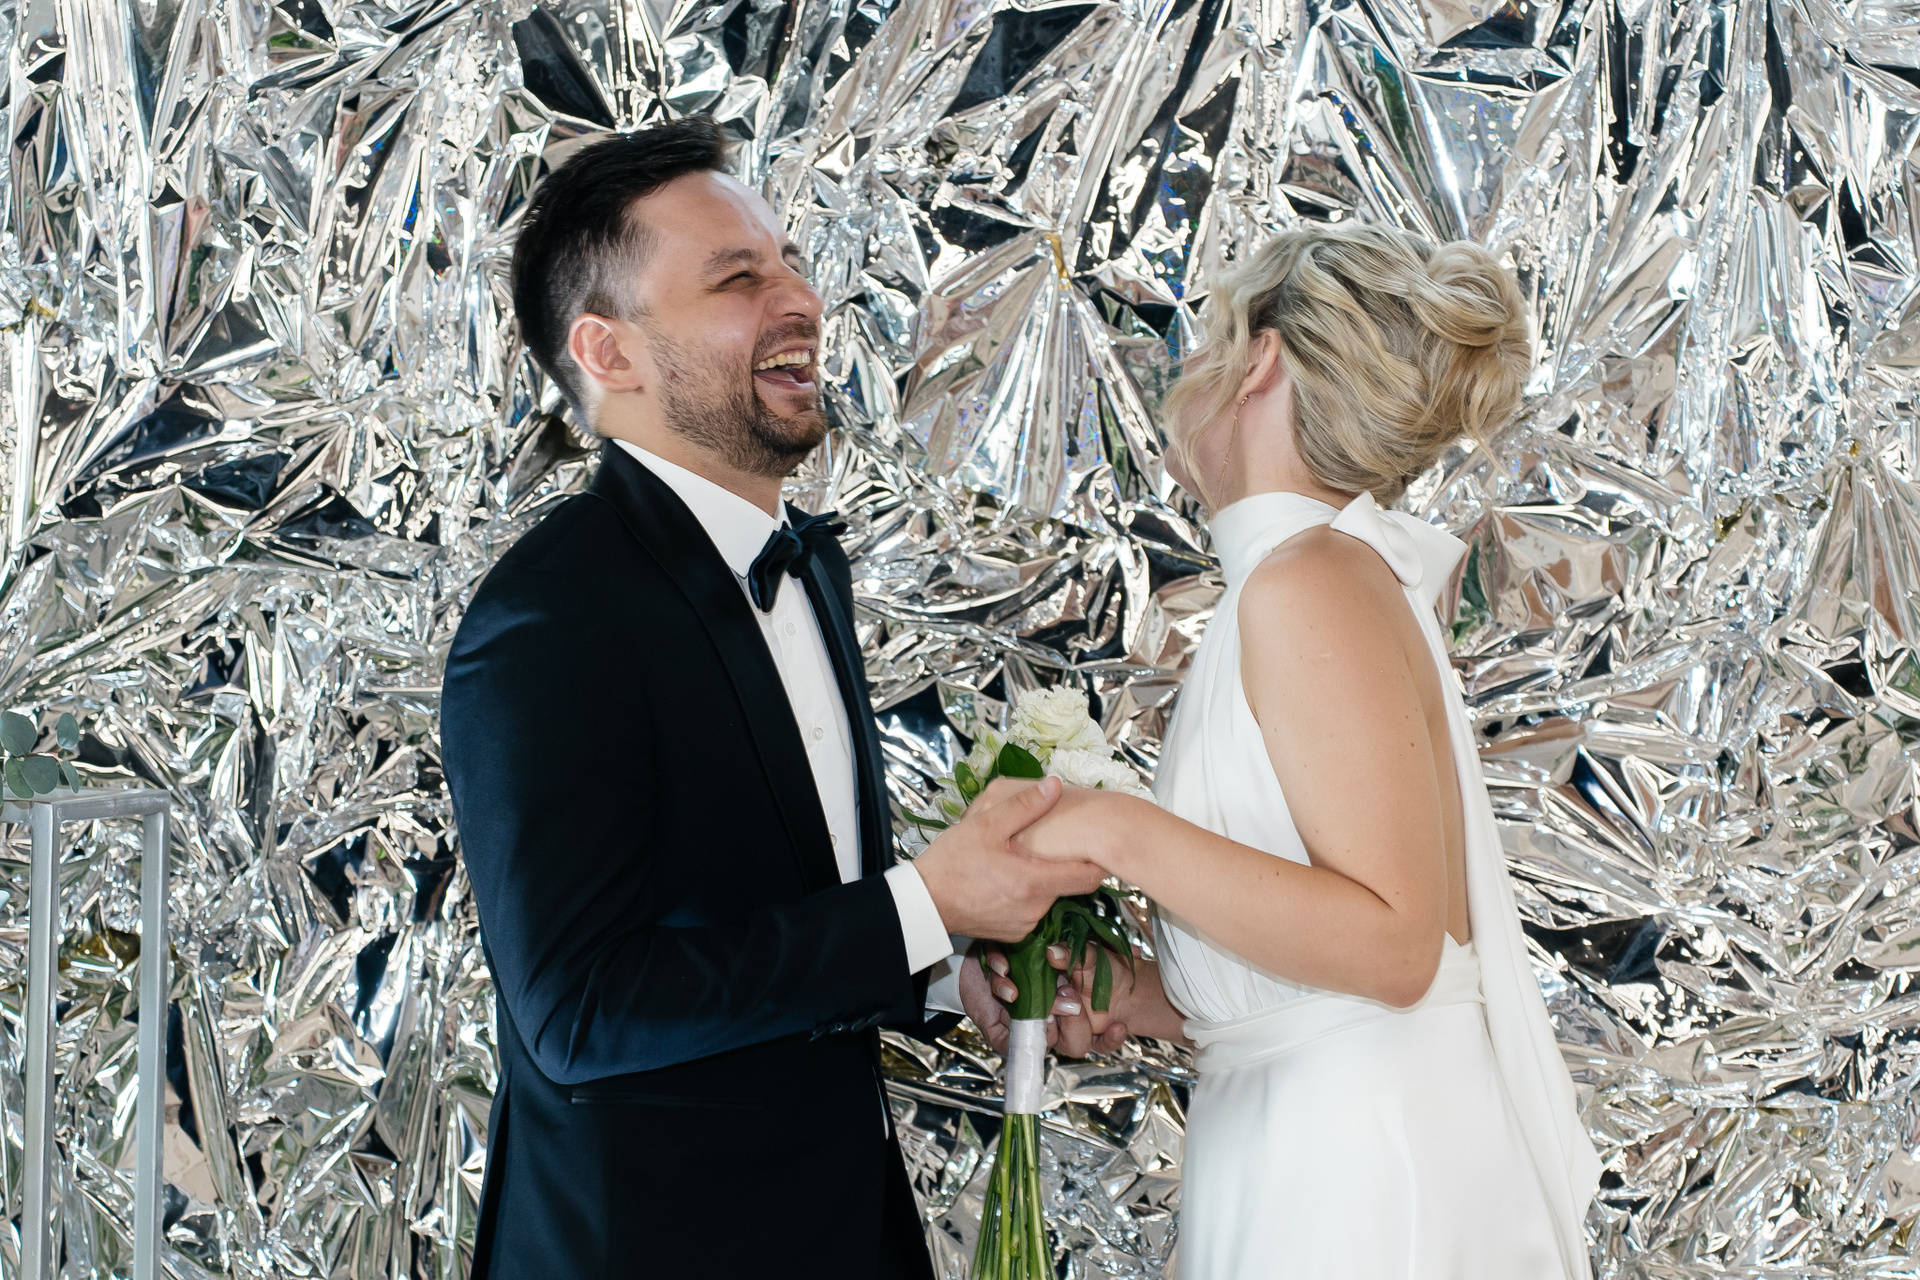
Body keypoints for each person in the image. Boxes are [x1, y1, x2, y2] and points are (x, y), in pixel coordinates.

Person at [439, 115, 1113, 1279]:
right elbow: (581, 1008)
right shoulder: (550, 615)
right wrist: (925, 902)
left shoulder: (806, 563)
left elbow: (777, 905)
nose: (799, 298)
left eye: (791, 263)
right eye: (737, 277)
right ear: (609, 352)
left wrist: (947, 971)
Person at [976, 223, 1602, 1278]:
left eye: (1204, 339)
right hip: (1309, 1147)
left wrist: (1112, 828)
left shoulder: (1306, 579)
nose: (1184, 375)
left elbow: (1396, 945)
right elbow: (1334, 964)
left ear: (1259, 357)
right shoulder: (1309, 576)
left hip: (1359, 1175)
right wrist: (1147, 994)